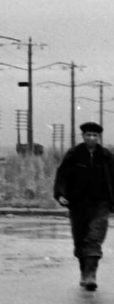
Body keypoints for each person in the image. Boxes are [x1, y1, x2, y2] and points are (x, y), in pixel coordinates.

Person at [53, 121, 114, 290]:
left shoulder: (106, 156)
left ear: (99, 137)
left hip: (101, 204)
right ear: (83, 136)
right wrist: (61, 194)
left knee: (94, 239)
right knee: (80, 241)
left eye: (95, 135)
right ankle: (84, 271)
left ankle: (90, 275)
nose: (92, 138)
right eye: (89, 135)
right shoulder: (74, 154)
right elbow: (62, 175)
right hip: (78, 204)